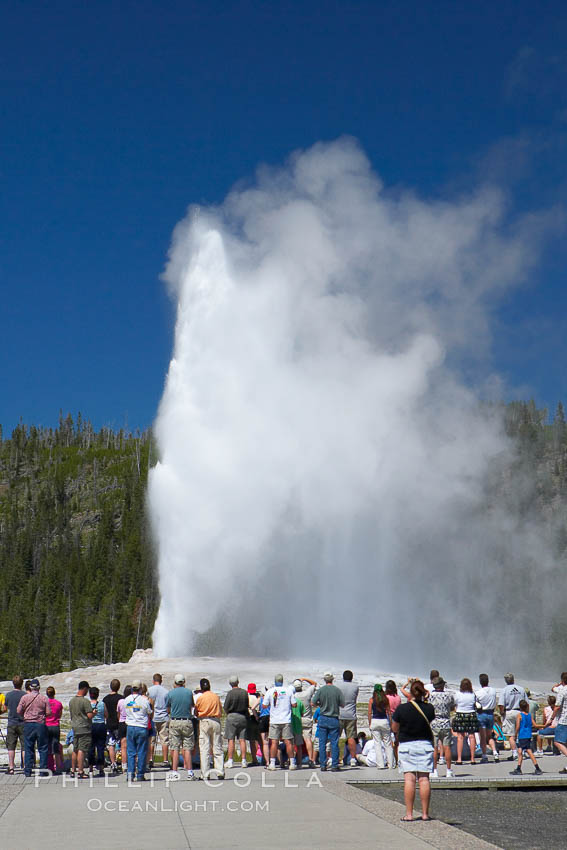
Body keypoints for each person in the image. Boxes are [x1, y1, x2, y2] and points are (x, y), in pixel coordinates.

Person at [391, 679, 435, 822]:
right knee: (424, 779)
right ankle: (425, 814)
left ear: (410, 693)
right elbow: (431, 718)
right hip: (425, 745)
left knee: (409, 780)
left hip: (407, 745)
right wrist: (426, 698)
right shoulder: (429, 709)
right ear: (424, 692)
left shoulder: (402, 709)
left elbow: (394, 728)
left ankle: (409, 814)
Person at [17, 677, 51, 777]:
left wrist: (24, 715)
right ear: (39, 687)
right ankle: (43, 770)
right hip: (40, 724)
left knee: (28, 747)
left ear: (30, 687)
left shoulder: (24, 698)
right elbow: (49, 712)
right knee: (43, 748)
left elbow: (18, 710)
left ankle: (27, 771)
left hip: (28, 724)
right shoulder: (44, 698)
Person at [263, 674, 298, 771]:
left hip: (275, 720)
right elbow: (294, 704)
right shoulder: (288, 691)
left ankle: (273, 763)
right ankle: (292, 763)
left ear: (275, 681)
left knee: (274, 742)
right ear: (282, 681)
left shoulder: (270, 691)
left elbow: (264, 705)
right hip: (286, 719)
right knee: (288, 742)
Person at [311, 672, 344, 772]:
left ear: (325, 680)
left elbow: (312, 702)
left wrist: (320, 705)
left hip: (323, 718)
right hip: (334, 718)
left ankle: (323, 765)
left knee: (322, 742)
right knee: (334, 743)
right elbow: (342, 704)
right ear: (332, 679)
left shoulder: (321, 690)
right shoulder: (337, 690)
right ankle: (334, 765)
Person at [194, 678, 224, 780]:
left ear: (202, 687)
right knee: (217, 747)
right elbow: (220, 709)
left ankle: (205, 773)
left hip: (204, 721)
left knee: (204, 748)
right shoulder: (216, 696)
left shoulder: (201, 698)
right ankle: (220, 771)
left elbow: (196, 711)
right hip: (216, 720)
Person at [167, 673, 195, 780]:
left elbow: (168, 709)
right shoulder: (189, 692)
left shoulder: (171, 693)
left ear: (175, 682)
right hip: (187, 721)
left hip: (175, 721)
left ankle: (174, 772)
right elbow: (192, 705)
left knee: (175, 747)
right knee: (187, 748)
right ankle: (190, 772)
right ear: (184, 682)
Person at [125, 679, 152, 781]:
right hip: (141, 726)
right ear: (141, 689)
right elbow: (149, 712)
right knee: (141, 752)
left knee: (131, 752)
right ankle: (140, 774)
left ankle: (130, 774)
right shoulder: (144, 700)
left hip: (130, 726)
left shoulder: (127, 699)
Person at [428, 677, 454, 778]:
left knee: (434, 748)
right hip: (446, 723)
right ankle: (448, 770)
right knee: (447, 747)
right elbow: (452, 706)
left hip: (434, 723)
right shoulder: (448, 695)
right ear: (442, 685)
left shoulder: (430, 696)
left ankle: (434, 770)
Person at [498, 673, 527, 761]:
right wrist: (526, 713)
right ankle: (523, 752)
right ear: (513, 679)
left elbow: (501, 704)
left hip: (510, 712)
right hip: (520, 711)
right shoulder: (521, 689)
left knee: (511, 735)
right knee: (521, 733)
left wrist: (502, 713)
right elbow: (527, 702)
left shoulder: (504, 690)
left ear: (506, 680)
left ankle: (514, 753)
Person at [509, 700, 542, 776]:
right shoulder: (529, 715)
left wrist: (515, 734)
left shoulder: (519, 715)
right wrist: (544, 725)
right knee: (521, 751)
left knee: (526, 752)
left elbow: (517, 726)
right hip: (528, 735)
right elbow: (535, 725)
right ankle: (519, 768)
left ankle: (536, 768)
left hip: (522, 735)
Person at [223, 675, 250, 768]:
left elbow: (225, 707)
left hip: (232, 716)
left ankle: (230, 760)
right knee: (242, 740)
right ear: (238, 682)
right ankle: (244, 760)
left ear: (230, 684)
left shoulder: (230, 693)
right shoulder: (244, 692)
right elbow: (247, 705)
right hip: (243, 716)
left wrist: (228, 713)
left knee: (231, 739)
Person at [69, 680, 93, 778]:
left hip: (74, 727)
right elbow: (89, 715)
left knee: (75, 748)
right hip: (84, 727)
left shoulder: (72, 701)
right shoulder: (85, 701)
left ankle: (73, 770)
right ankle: (81, 771)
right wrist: (94, 713)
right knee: (82, 749)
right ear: (84, 689)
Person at [452, 678, 479, 765]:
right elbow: (475, 704)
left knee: (460, 737)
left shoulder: (458, 694)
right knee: (472, 736)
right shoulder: (473, 694)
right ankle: (472, 758)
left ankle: (459, 759)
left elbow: (454, 703)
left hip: (460, 714)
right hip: (471, 714)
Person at [368, 683, 394, 769]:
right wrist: (390, 723)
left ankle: (380, 764)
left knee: (377, 744)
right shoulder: (385, 700)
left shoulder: (372, 700)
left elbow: (369, 713)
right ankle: (391, 764)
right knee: (388, 744)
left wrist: (370, 723)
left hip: (375, 721)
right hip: (384, 721)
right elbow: (389, 713)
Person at [293, 677, 317, 767]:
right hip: (307, 719)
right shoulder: (307, 694)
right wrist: (305, 679)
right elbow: (314, 684)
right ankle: (311, 760)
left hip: (297, 720)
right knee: (308, 740)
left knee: (298, 743)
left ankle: (298, 762)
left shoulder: (293, 695)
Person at [475, 673, 499, 762]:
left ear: (480, 682)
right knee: (489, 736)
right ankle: (495, 752)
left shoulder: (478, 693)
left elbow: (476, 704)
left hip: (482, 714)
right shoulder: (493, 690)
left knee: (482, 737)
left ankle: (484, 756)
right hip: (491, 714)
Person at [337, 670, 359, 767]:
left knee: (335, 737)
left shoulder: (338, 686)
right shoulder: (355, 686)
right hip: (351, 715)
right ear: (352, 677)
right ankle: (353, 759)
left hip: (339, 714)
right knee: (351, 737)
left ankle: (334, 757)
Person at [148, 673, 170, 768]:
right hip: (164, 717)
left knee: (152, 740)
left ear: (153, 681)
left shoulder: (149, 690)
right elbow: (168, 705)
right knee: (164, 739)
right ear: (161, 681)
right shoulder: (166, 691)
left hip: (153, 717)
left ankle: (150, 759)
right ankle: (165, 760)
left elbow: (148, 704)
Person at [5, 675, 25, 775]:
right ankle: (25, 766)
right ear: (22, 684)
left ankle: (11, 767)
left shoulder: (8, 695)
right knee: (24, 746)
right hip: (23, 722)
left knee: (11, 746)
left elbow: (5, 708)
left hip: (12, 722)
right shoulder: (24, 695)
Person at [103, 679, 123, 774]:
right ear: (118, 687)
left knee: (111, 745)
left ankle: (113, 763)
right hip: (118, 724)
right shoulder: (121, 698)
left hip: (109, 723)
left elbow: (104, 712)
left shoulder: (105, 699)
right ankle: (123, 763)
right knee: (122, 744)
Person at [88, 687, 107, 776]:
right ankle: (101, 768)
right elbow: (106, 715)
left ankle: (91, 767)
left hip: (91, 726)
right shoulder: (102, 704)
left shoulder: (87, 704)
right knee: (100, 747)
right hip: (101, 725)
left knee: (91, 747)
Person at [550, 675, 567, 773]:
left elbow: (556, 707)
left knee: (557, 742)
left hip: (564, 720)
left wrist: (551, 718)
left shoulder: (562, 690)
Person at [45, 686, 63, 773]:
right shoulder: (58, 703)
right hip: (55, 725)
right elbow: (60, 715)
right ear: (54, 693)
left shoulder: (45, 703)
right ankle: (59, 766)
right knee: (56, 746)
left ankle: (50, 766)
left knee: (48, 747)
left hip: (47, 725)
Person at [246, 683, 262, 765]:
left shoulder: (247, 697)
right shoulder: (258, 697)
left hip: (251, 718)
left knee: (252, 740)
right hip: (259, 717)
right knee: (260, 739)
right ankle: (264, 759)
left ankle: (254, 759)